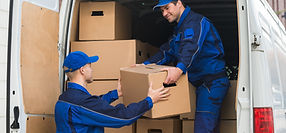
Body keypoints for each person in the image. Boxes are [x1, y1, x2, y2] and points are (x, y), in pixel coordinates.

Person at [142, 0, 230, 132]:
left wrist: (179, 69)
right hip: (199, 83)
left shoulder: (195, 22)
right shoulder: (179, 29)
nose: (165, 13)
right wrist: (144, 65)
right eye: (162, 11)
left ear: (179, 3)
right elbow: (167, 52)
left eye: (167, 8)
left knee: (203, 128)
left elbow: (191, 47)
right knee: (208, 128)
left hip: (211, 83)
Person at [55, 51, 170, 133]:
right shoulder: (81, 102)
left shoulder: (64, 99)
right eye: (90, 66)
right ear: (82, 70)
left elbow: (93, 106)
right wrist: (149, 100)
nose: (92, 69)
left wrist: (116, 93)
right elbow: (123, 117)